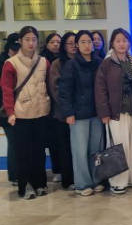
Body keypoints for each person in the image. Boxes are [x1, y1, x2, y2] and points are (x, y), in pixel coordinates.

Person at [1, 26, 51, 200]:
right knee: (23, 152)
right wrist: (10, 112)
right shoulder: (11, 63)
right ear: (20, 41)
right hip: (21, 114)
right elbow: (7, 90)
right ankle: (25, 186)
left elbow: (49, 86)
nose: (31, 43)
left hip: (41, 112)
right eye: (27, 39)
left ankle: (40, 183)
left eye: (34, 39)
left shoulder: (44, 62)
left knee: (39, 151)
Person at [95, 28, 132, 194]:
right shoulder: (107, 63)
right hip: (116, 112)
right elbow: (100, 89)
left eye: (124, 40)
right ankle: (118, 181)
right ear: (112, 44)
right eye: (118, 41)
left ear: (129, 43)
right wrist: (104, 112)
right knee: (118, 146)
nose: (122, 44)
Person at [59, 31, 105, 196]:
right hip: (78, 115)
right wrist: (68, 113)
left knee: (96, 149)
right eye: (83, 42)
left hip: (97, 114)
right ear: (77, 45)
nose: (87, 45)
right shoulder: (71, 65)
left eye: (89, 42)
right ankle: (82, 184)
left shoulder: (99, 63)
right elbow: (64, 92)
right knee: (80, 150)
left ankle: (96, 180)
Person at [48, 32, 76, 190]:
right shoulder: (57, 64)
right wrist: (69, 109)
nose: (73, 46)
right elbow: (56, 90)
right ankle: (68, 179)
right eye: (69, 43)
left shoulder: (83, 61)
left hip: (82, 113)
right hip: (62, 114)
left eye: (75, 42)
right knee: (65, 148)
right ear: (64, 46)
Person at [40, 32, 62, 182]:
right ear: (47, 44)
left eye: (58, 42)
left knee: (62, 140)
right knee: (52, 141)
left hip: (61, 105)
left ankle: (64, 169)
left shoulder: (65, 60)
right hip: (46, 106)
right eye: (52, 42)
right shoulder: (41, 60)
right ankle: (57, 169)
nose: (56, 45)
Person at [0, 33, 20, 186]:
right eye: (14, 48)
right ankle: (15, 176)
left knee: (18, 142)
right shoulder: (3, 63)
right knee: (14, 142)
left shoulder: (21, 62)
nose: (16, 51)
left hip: (21, 109)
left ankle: (19, 174)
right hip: (5, 110)